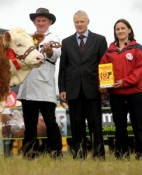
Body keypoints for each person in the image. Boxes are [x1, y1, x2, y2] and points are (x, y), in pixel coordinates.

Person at [58, 10, 107, 160]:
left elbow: (105, 65)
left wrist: (105, 85)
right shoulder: (66, 42)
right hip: (73, 90)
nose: (79, 25)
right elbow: (63, 68)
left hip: (93, 89)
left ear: (88, 22)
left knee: (95, 124)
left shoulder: (99, 40)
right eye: (76, 22)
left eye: (82, 22)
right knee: (76, 124)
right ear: (74, 23)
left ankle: (98, 154)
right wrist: (62, 89)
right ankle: (79, 155)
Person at [17, 7, 62, 159]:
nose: (41, 23)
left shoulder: (54, 37)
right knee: (30, 125)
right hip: (28, 86)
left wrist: (48, 51)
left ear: (50, 22)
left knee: (50, 122)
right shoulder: (27, 38)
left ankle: (56, 152)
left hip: (45, 87)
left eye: (44, 20)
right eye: (38, 20)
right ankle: (30, 152)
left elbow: (55, 54)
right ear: (34, 22)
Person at [99, 19, 142, 160]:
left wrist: (125, 82)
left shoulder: (137, 48)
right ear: (115, 32)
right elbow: (103, 69)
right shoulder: (109, 51)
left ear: (129, 30)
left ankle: (140, 154)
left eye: (123, 28)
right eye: (117, 29)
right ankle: (122, 155)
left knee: (138, 125)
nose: (120, 31)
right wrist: (104, 85)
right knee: (120, 126)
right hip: (116, 94)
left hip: (135, 93)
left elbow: (139, 69)